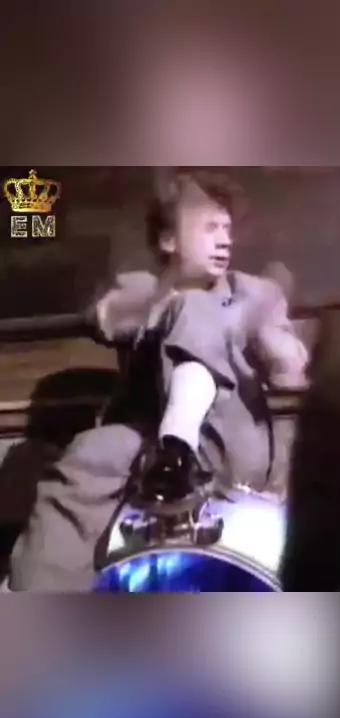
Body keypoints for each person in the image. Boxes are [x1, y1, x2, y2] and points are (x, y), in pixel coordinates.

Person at [8, 172, 308, 591]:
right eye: (210, 228)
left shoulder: (254, 294)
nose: (225, 240)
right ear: (169, 240)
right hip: (145, 440)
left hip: (234, 438)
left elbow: (291, 370)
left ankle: (177, 444)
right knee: (88, 454)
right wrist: (169, 301)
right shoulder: (142, 292)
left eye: (227, 229)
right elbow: (106, 317)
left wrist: (262, 332)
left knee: (196, 308)